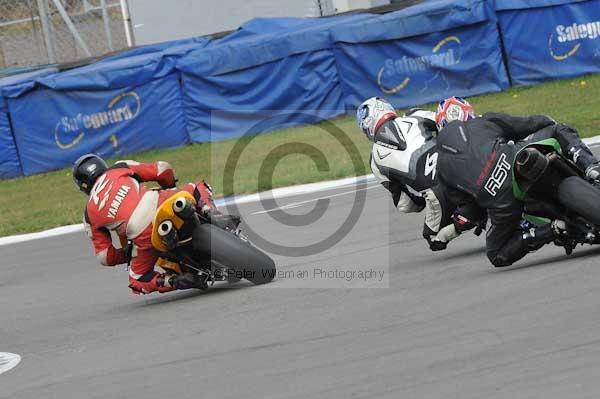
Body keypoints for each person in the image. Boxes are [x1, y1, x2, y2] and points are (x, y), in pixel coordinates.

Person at [434, 96, 600, 266]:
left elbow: (470, 209)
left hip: (501, 202)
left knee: (496, 254)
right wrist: (546, 121)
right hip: (515, 159)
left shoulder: (441, 169)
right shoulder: (483, 121)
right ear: (469, 113)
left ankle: (552, 229)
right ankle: (592, 167)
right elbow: (527, 123)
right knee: (558, 129)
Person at [73, 154, 239, 295]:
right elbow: (162, 168)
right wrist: (170, 186)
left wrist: (126, 254)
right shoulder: (119, 168)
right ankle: (211, 212)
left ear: (83, 186)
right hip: (160, 202)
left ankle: (176, 281)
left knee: (137, 280)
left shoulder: (88, 214)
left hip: (142, 234)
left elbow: (104, 257)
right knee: (195, 187)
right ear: (102, 165)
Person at [356, 97, 485, 251]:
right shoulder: (415, 115)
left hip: (438, 194)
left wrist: (421, 202)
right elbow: (444, 123)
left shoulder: (375, 161)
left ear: (367, 126)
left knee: (432, 237)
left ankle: (467, 219)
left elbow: (404, 204)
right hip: (460, 164)